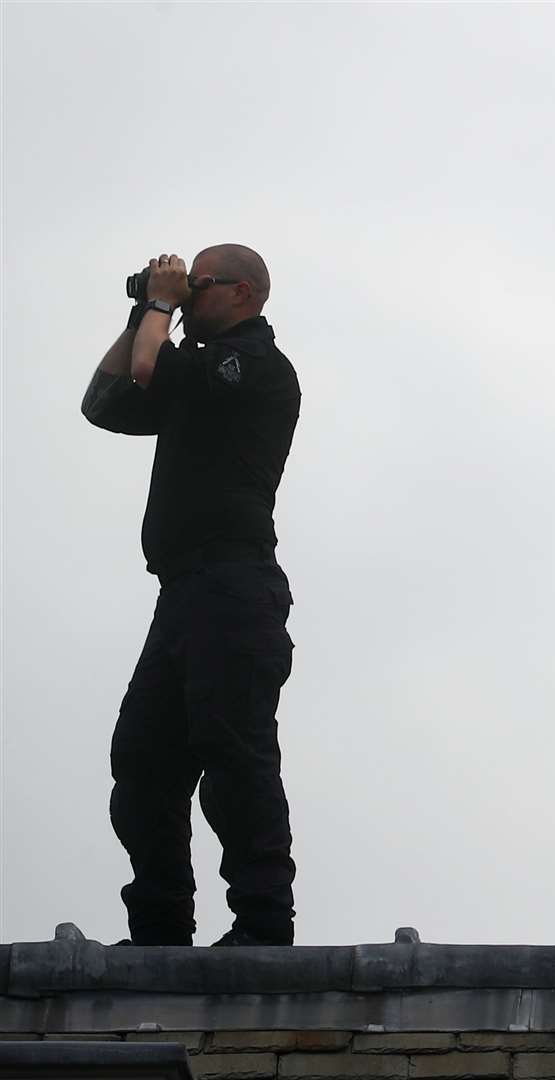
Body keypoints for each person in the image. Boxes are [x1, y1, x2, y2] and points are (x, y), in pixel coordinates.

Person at [80, 245, 302, 946]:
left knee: (234, 753)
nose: (185, 295)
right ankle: (160, 931)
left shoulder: (255, 363)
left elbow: (153, 365)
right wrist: (144, 307)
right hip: (181, 592)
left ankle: (263, 930)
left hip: (236, 585)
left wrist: (159, 308)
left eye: (196, 285)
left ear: (240, 293)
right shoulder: (194, 378)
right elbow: (105, 399)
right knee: (144, 761)